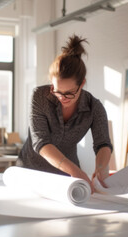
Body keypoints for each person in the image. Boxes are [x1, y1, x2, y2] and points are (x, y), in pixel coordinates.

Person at [17, 34, 113, 192]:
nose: (62, 98)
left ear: (82, 84)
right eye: (57, 91)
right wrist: (76, 171)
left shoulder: (94, 107)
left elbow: (103, 144)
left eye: (69, 93)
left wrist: (101, 168)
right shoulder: (39, 96)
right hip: (30, 173)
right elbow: (41, 143)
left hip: (67, 180)